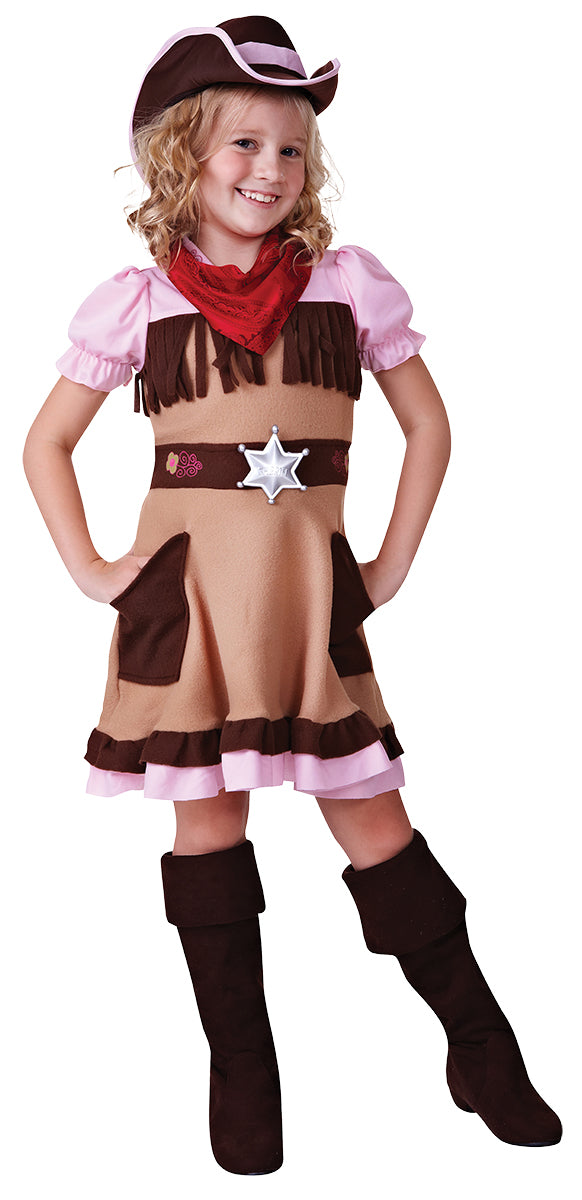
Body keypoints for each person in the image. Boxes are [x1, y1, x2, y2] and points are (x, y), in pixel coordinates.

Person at [23, 15, 562, 1177]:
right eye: (243, 145)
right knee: (209, 823)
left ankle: (481, 1045)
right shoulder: (139, 303)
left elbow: (430, 428)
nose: (269, 170)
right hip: (191, 617)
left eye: (290, 150)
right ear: (184, 155)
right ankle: (242, 1068)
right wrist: (96, 571)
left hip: (312, 611)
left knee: (375, 819)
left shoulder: (347, 287)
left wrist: (391, 564)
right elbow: (44, 445)